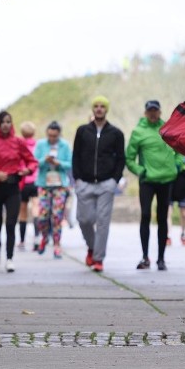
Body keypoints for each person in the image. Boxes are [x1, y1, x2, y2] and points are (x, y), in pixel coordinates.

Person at [125, 100, 184, 271]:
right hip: (148, 180)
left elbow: (179, 150)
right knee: (145, 215)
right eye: (150, 111)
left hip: (166, 179)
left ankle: (161, 259)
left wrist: (177, 166)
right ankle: (145, 257)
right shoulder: (138, 131)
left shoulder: (167, 128)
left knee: (163, 218)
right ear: (145, 112)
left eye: (155, 111)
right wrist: (140, 170)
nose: (152, 113)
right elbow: (129, 158)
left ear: (159, 112)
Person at [72, 96, 126, 273]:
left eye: (102, 106)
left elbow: (120, 159)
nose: (99, 109)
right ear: (92, 109)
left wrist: (115, 180)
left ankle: (98, 259)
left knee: (103, 222)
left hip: (106, 184)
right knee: (84, 219)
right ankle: (92, 247)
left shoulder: (116, 133)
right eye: (96, 106)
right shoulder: (82, 131)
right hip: (85, 183)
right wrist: (77, 179)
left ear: (107, 109)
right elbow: (76, 156)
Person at [0, 111, 38, 272]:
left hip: (13, 187)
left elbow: (32, 161)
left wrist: (27, 171)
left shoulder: (18, 142)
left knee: (10, 224)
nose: (5, 124)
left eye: (9, 121)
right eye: (2, 121)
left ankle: (9, 258)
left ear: (12, 124)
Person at [34, 121, 73, 258]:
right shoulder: (40, 145)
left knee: (57, 216)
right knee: (43, 215)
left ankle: (57, 244)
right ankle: (44, 237)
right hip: (44, 184)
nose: (52, 138)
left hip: (60, 185)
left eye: (55, 136)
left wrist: (59, 163)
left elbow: (70, 164)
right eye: (50, 135)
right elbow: (34, 162)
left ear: (59, 135)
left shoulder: (65, 145)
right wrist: (45, 160)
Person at [17, 121, 39, 251]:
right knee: (36, 210)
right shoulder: (38, 146)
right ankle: (37, 238)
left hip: (24, 181)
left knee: (23, 212)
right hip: (36, 181)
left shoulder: (20, 145)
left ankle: (22, 240)